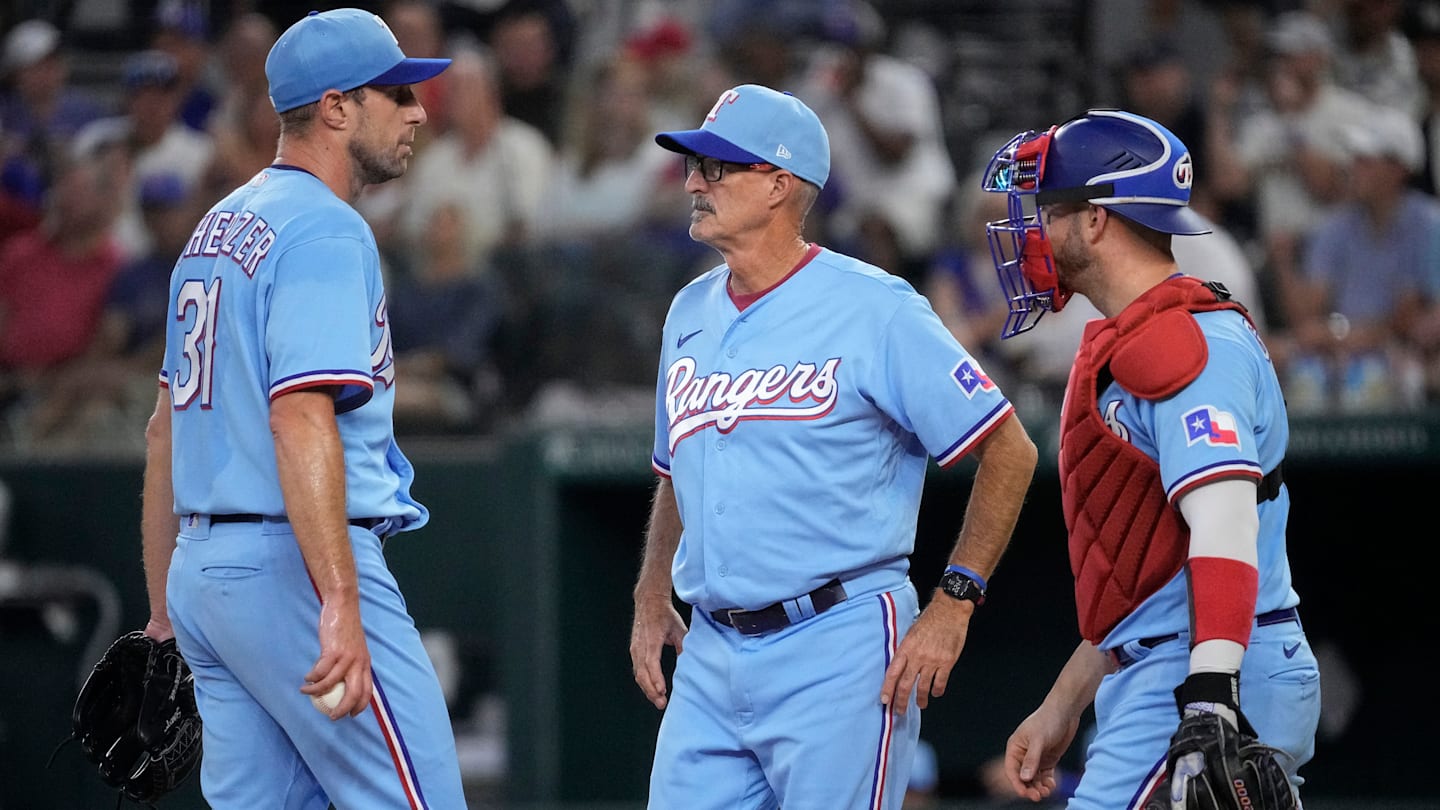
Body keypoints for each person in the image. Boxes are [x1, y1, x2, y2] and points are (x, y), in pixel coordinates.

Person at [629, 83, 1038, 810]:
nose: (694, 181)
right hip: (713, 652)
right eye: (696, 166)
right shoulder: (689, 309)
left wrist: (955, 601)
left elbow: (1009, 448)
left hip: (837, 640)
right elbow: (676, 469)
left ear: (779, 185)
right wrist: (652, 587)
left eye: (717, 168)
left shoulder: (875, 307)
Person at [136, 9, 466, 808]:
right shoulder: (324, 229)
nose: (418, 109)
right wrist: (341, 600)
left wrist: (163, 615)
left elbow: (162, 431)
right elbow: (299, 417)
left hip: (206, 573)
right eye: (396, 93)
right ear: (336, 106)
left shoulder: (215, 228)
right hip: (295, 568)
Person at [978, 109, 1320, 806]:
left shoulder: (1189, 347)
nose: (1034, 231)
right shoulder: (1130, 337)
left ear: (1098, 220)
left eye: (1049, 209)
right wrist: (1065, 702)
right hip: (1171, 662)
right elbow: (1144, 576)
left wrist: (1209, 702)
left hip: (1208, 665)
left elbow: (1224, 528)